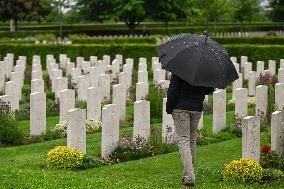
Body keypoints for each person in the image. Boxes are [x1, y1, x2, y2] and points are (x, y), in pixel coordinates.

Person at [166, 74, 214, 187]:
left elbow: (173, 90)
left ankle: (189, 177)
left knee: (184, 140)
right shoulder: (202, 71)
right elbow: (209, 89)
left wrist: (169, 108)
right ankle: (190, 174)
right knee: (191, 141)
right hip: (196, 108)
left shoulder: (179, 70)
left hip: (181, 108)